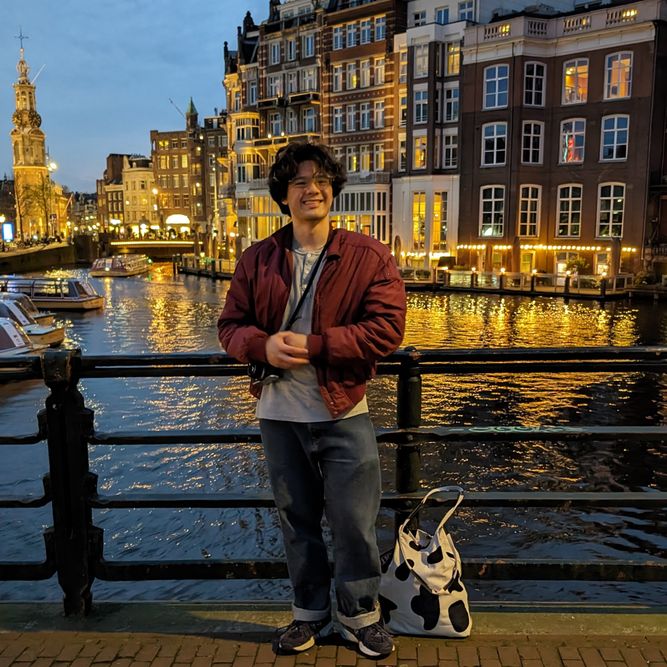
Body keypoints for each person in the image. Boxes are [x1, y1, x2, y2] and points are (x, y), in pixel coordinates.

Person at [217, 141, 406, 658]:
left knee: (354, 522)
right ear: (283, 194)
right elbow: (230, 326)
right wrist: (262, 346)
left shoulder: (368, 255)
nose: (312, 189)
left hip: (343, 408)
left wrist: (318, 347)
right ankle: (308, 614)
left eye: (320, 180)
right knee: (296, 522)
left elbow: (388, 330)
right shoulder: (257, 259)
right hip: (279, 414)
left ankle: (361, 616)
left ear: (333, 191)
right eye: (299, 182)